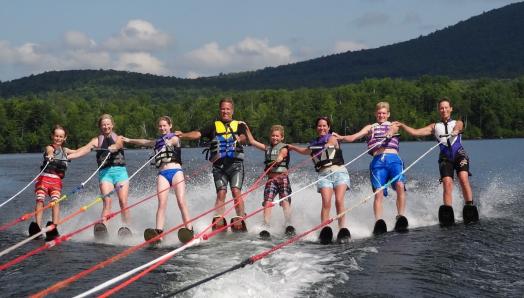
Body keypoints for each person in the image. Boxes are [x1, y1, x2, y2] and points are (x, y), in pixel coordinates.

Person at [395, 97, 479, 226]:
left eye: (446, 107)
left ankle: (469, 206)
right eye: (441, 108)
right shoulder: (435, 127)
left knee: (463, 178)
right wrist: (403, 125)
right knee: (447, 182)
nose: (444, 110)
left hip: (459, 155)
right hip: (445, 157)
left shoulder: (457, 122)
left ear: (450, 109)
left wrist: (456, 131)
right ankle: (448, 210)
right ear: (439, 110)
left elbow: (459, 126)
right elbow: (416, 132)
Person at [333, 102, 408, 235]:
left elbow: (393, 130)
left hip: (394, 160)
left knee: (400, 185)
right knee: (378, 193)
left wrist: (389, 133)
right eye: (379, 113)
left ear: (388, 114)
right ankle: (379, 221)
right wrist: (342, 137)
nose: (381, 115)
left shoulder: (393, 125)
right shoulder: (370, 127)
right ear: (375, 114)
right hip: (378, 162)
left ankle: (400, 216)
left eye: (384, 113)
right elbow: (355, 136)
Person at [177, 98, 249, 232]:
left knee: (235, 191)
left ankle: (240, 216)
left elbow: (245, 137)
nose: (225, 111)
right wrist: (183, 135)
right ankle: (219, 218)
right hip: (219, 166)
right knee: (221, 193)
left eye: (228, 109)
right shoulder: (213, 126)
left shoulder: (239, 126)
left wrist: (240, 138)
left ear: (232, 110)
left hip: (235, 165)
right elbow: (197, 134)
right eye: (223, 109)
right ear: (219, 110)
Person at [123, 116, 193, 243]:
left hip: (176, 171)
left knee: (181, 201)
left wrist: (169, 142)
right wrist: (128, 140)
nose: (162, 128)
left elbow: (174, 141)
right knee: (161, 204)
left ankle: (189, 229)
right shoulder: (157, 142)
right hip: (163, 173)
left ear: (170, 125)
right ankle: (159, 232)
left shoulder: (175, 138)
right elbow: (144, 142)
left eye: (164, 125)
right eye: (160, 126)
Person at [287, 116, 351, 244]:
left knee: (338, 200)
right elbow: (304, 151)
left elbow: (332, 143)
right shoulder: (314, 143)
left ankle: (342, 228)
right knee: (326, 202)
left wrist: (327, 145)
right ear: (317, 128)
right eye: (319, 126)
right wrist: (292, 147)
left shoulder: (332, 137)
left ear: (328, 127)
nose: (322, 128)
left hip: (339, 172)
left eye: (324, 126)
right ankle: (324, 228)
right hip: (323, 174)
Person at [74, 114, 131, 237]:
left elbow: (119, 145)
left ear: (112, 125)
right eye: (103, 124)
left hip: (120, 173)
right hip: (105, 174)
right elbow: (84, 149)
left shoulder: (118, 138)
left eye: (108, 124)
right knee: (107, 201)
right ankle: (103, 227)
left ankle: (126, 227)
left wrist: (114, 147)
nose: (106, 126)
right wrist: (67, 157)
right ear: (100, 126)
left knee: (123, 201)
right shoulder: (96, 140)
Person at [29, 125, 88, 241]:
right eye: (56, 136)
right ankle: (38, 226)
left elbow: (78, 151)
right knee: (40, 199)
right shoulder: (49, 148)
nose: (58, 138)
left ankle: (54, 227)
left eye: (61, 136)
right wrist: (50, 156)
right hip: (44, 179)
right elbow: (49, 151)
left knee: (55, 202)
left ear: (65, 138)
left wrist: (91, 147)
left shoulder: (65, 151)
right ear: (52, 136)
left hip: (56, 181)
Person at [242, 123, 294, 237]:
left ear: (282, 137)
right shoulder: (267, 148)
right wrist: (246, 129)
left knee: (285, 201)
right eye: (273, 136)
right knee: (267, 202)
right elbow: (252, 142)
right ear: (270, 136)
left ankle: (288, 224)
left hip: (282, 178)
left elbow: (282, 155)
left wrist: (279, 159)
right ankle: (266, 224)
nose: (275, 138)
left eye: (277, 136)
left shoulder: (284, 148)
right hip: (271, 180)